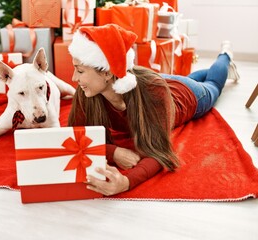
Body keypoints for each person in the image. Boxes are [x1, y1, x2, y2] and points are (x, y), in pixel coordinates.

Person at [67, 24, 240, 196]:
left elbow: (158, 153)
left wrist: (126, 182)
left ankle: (225, 55)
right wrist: (114, 152)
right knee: (192, 78)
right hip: (155, 81)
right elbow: (75, 140)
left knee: (212, 86)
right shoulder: (87, 91)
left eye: (80, 71)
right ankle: (206, 70)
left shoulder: (154, 91)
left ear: (107, 73)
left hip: (184, 95)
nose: (74, 78)